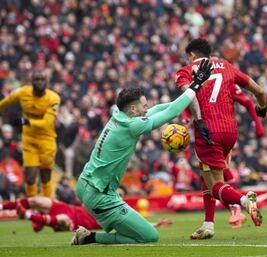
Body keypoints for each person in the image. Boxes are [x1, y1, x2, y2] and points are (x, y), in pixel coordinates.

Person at [70, 59, 213, 245]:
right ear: (133, 108)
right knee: (149, 236)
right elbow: (170, 112)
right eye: (144, 106)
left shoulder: (120, 116)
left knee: (137, 231)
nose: (147, 108)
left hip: (86, 184)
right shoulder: (132, 125)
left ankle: (91, 235)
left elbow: (162, 109)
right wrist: (196, 85)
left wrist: (186, 99)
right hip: (99, 194)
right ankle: (89, 238)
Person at [175, 38, 267, 240]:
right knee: (206, 176)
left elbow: (187, 97)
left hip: (208, 130)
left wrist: (191, 119)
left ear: (191, 55)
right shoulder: (227, 66)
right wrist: (262, 109)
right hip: (230, 132)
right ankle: (208, 225)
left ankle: (244, 200)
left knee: (216, 186)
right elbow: (259, 91)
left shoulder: (186, 71)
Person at [0, 71, 60, 197]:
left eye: (42, 80)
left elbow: (46, 123)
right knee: (30, 177)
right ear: (31, 82)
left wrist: (25, 121)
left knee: (45, 176)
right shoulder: (23, 92)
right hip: (29, 140)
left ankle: (47, 203)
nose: (39, 82)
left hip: (47, 140)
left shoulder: (54, 98)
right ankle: (31, 204)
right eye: (37, 79)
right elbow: (6, 101)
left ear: (47, 82)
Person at [0, 197, 173, 232]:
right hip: (68, 208)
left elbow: (133, 223)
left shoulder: (114, 216)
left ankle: (30, 216)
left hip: (72, 221)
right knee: (39, 200)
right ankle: (2, 205)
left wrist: (155, 225)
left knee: (63, 220)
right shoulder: (100, 197)